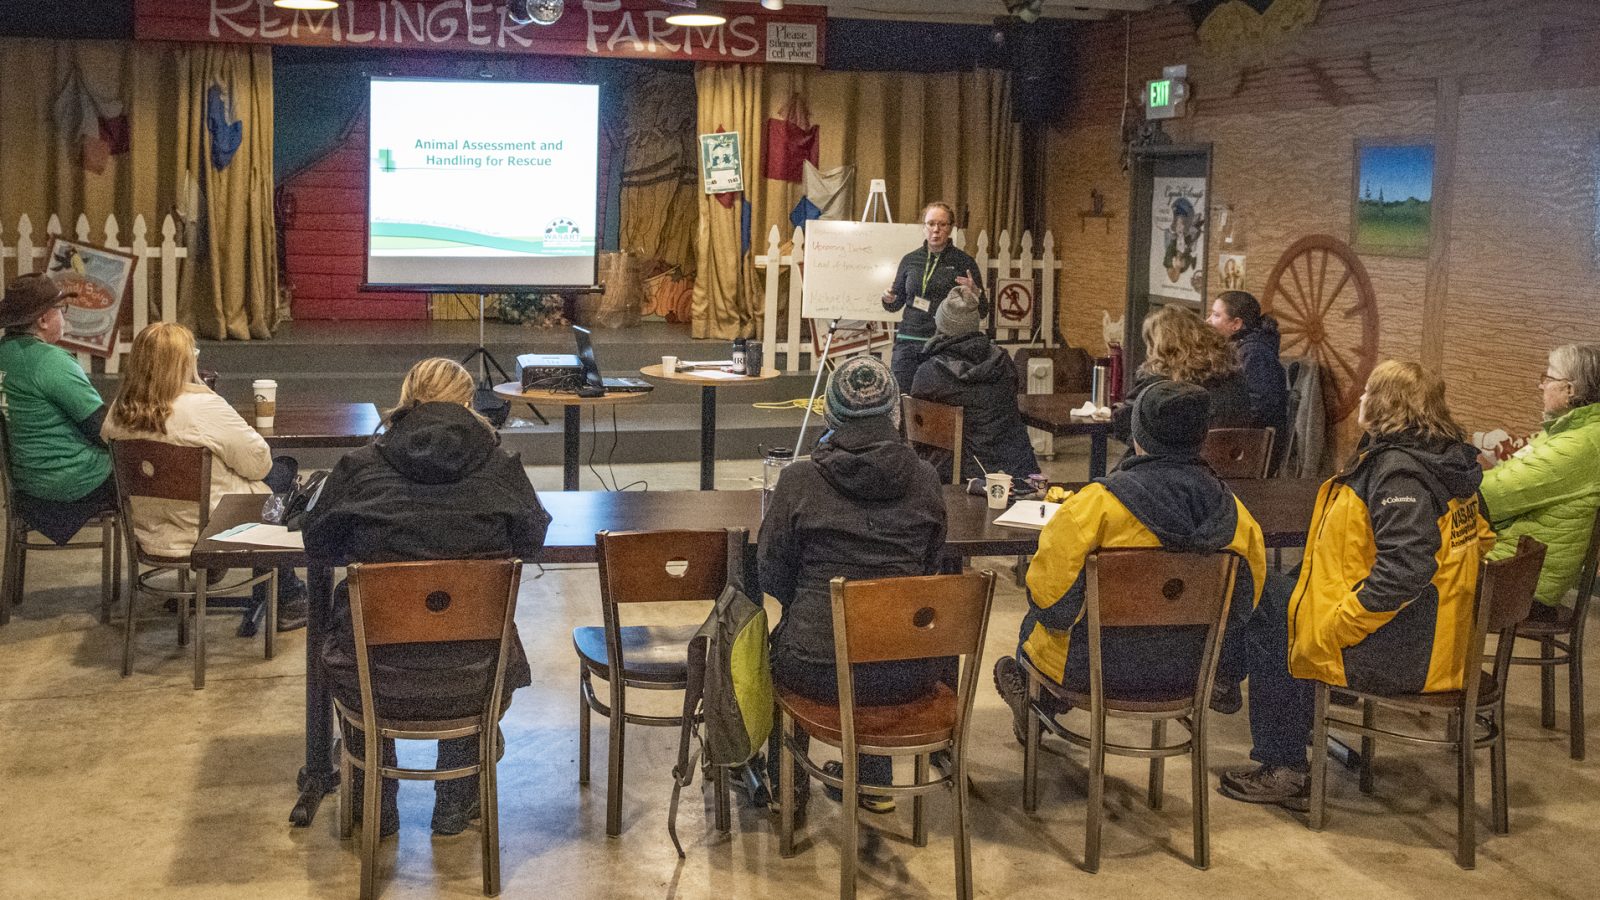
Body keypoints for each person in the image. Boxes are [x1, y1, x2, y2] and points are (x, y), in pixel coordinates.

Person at [1219, 361, 1494, 807]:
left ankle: (1283, 764)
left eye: (1368, 391)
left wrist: (1338, 625)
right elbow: (1482, 537)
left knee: (1260, 600)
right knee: (1285, 588)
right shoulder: (1449, 462)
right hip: (1439, 633)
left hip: (1400, 648)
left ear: (1386, 405)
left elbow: (1403, 572)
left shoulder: (1399, 474)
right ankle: (1268, 697)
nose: (1360, 398)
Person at [304, 357, 550, 837]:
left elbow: (319, 544)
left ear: (406, 398)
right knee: (467, 647)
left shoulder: (360, 468)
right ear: (467, 402)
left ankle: (373, 808)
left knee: (354, 637)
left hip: (375, 681)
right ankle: (456, 805)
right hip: (476, 678)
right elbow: (532, 540)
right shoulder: (501, 468)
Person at [992, 381, 1267, 740]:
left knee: (1039, 620)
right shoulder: (1238, 516)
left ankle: (1038, 702)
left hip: (1091, 669)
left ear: (1138, 436)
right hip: (1192, 671)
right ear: (1203, 437)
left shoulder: (1095, 506)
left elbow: (1052, 604)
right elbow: (1248, 603)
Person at [759, 355, 947, 814]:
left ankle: (785, 788)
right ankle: (874, 782)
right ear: (893, 414)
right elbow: (930, 567)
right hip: (906, 673)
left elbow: (770, 569)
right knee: (883, 636)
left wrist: (809, 603)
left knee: (781, 645)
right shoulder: (925, 480)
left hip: (815, 667)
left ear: (831, 414)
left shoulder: (799, 479)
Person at [101, 322, 308, 629]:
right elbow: (259, 464)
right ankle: (286, 595)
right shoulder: (203, 407)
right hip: (214, 528)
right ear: (183, 362)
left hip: (149, 530)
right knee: (284, 471)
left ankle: (225, 575)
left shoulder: (119, 410)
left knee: (264, 484)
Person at [1480, 343, 1600, 617]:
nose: (1541, 386)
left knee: (1411, 580)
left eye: (1548, 378)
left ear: (1570, 390)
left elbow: (1492, 498)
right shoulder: (1569, 431)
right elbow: (1506, 478)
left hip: (1517, 582)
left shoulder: (1579, 445)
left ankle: (1446, 660)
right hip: (1514, 566)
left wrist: (1445, 483)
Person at [0, 274, 116, 546]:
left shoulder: (4, 353)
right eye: (61, 310)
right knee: (153, 469)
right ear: (42, 320)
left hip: (27, 482)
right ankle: (183, 554)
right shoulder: (49, 361)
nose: (65, 317)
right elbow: (102, 429)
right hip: (70, 487)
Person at [909, 285, 1039, 485]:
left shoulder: (930, 372)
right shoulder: (1003, 362)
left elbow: (920, 433)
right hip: (1017, 470)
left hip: (957, 474)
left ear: (941, 325)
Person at [1112, 304, 1255, 459]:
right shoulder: (1233, 373)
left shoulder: (1161, 383)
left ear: (1161, 345)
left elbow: (1125, 425)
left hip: (1174, 470)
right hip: (1231, 470)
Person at [880, 201, 988, 393]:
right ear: (924, 227)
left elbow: (983, 310)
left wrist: (976, 294)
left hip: (943, 345)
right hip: (908, 342)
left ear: (951, 228)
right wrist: (888, 299)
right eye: (931, 224)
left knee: (936, 405)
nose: (936, 230)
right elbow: (896, 303)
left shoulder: (963, 262)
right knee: (902, 399)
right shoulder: (910, 260)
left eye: (942, 224)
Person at [1207, 290, 1289, 472]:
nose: (1209, 321)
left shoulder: (1254, 353)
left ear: (1236, 324)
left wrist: (1227, 425)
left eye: (1216, 315)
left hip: (1252, 444)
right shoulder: (1241, 348)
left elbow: (1260, 405)